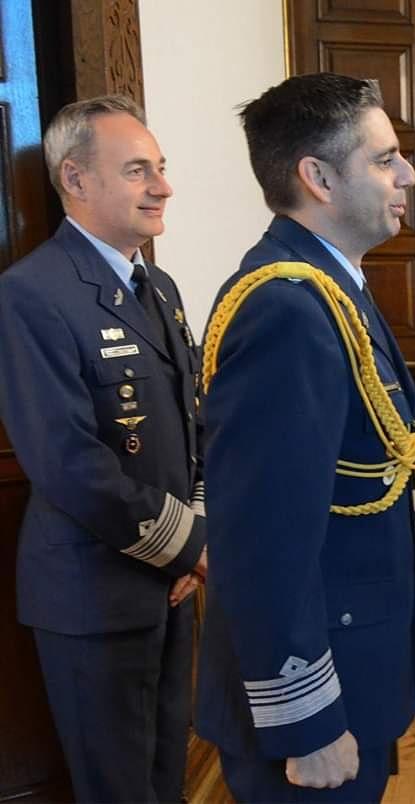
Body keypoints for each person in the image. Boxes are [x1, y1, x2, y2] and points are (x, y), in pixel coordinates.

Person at [195, 73, 415, 802]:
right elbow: (261, 538)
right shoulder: (287, 309)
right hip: (316, 697)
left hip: (357, 661)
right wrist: (306, 721)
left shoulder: (328, 284)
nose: (408, 175)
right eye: (385, 159)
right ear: (319, 178)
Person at [0, 95, 206, 802]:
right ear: (76, 178)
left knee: (166, 776)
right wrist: (190, 546)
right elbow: (67, 463)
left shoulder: (160, 287)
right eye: (138, 170)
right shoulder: (31, 293)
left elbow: (191, 424)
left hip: (170, 585)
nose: (163, 186)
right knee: (118, 789)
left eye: (161, 168)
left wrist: (194, 536)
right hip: (92, 596)